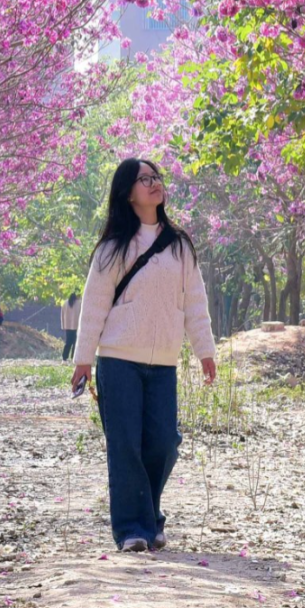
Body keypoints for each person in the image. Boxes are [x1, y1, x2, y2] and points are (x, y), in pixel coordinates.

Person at [71, 157, 216, 554]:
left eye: (156, 178)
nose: (154, 184)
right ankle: (133, 529)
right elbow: (95, 305)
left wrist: (205, 351)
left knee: (163, 444)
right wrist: (84, 359)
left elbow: (195, 304)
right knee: (125, 446)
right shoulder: (112, 247)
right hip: (118, 360)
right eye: (144, 179)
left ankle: (150, 515)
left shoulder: (179, 245)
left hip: (163, 363)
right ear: (128, 193)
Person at [60, 292, 80, 361]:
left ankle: (64, 358)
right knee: (75, 343)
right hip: (77, 326)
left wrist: (63, 325)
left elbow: (62, 315)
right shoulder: (80, 303)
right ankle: (73, 358)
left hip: (68, 326)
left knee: (68, 343)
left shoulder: (65, 303)